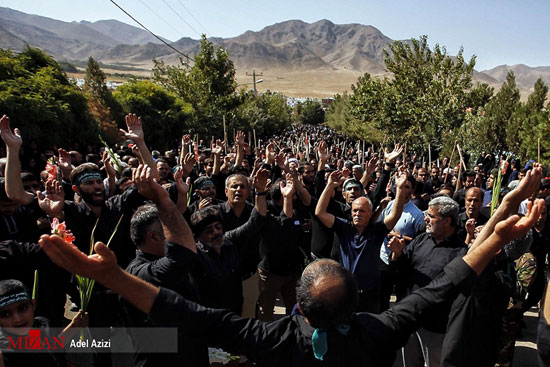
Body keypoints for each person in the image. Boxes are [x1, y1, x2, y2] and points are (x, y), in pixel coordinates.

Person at [36, 194, 543, 367]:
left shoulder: (272, 341)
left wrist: (108, 275)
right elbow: (446, 284)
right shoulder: (380, 330)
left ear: (297, 308)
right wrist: (495, 235)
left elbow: (187, 315)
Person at [315, 165, 408, 313]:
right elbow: (320, 212)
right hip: (346, 293)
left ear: (370, 213)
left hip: (370, 295)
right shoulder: (344, 228)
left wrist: (401, 188)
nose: (358, 214)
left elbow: (395, 215)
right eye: (355, 211)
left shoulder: (377, 231)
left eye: (362, 211)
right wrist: (329, 186)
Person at [389, 196, 466, 367]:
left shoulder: (460, 253)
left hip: (436, 326)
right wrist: (398, 254)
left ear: (447, 221)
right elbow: (401, 270)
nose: (426, 219)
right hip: (409, 319)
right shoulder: (420, 240)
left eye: (431, 216)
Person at [0, 279, 88, 367]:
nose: (17, 319)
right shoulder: (4, 351)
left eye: (23, 308)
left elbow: (53, 346)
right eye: (6, 314)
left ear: (33, 305)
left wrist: (74, 326)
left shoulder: (40, 325)